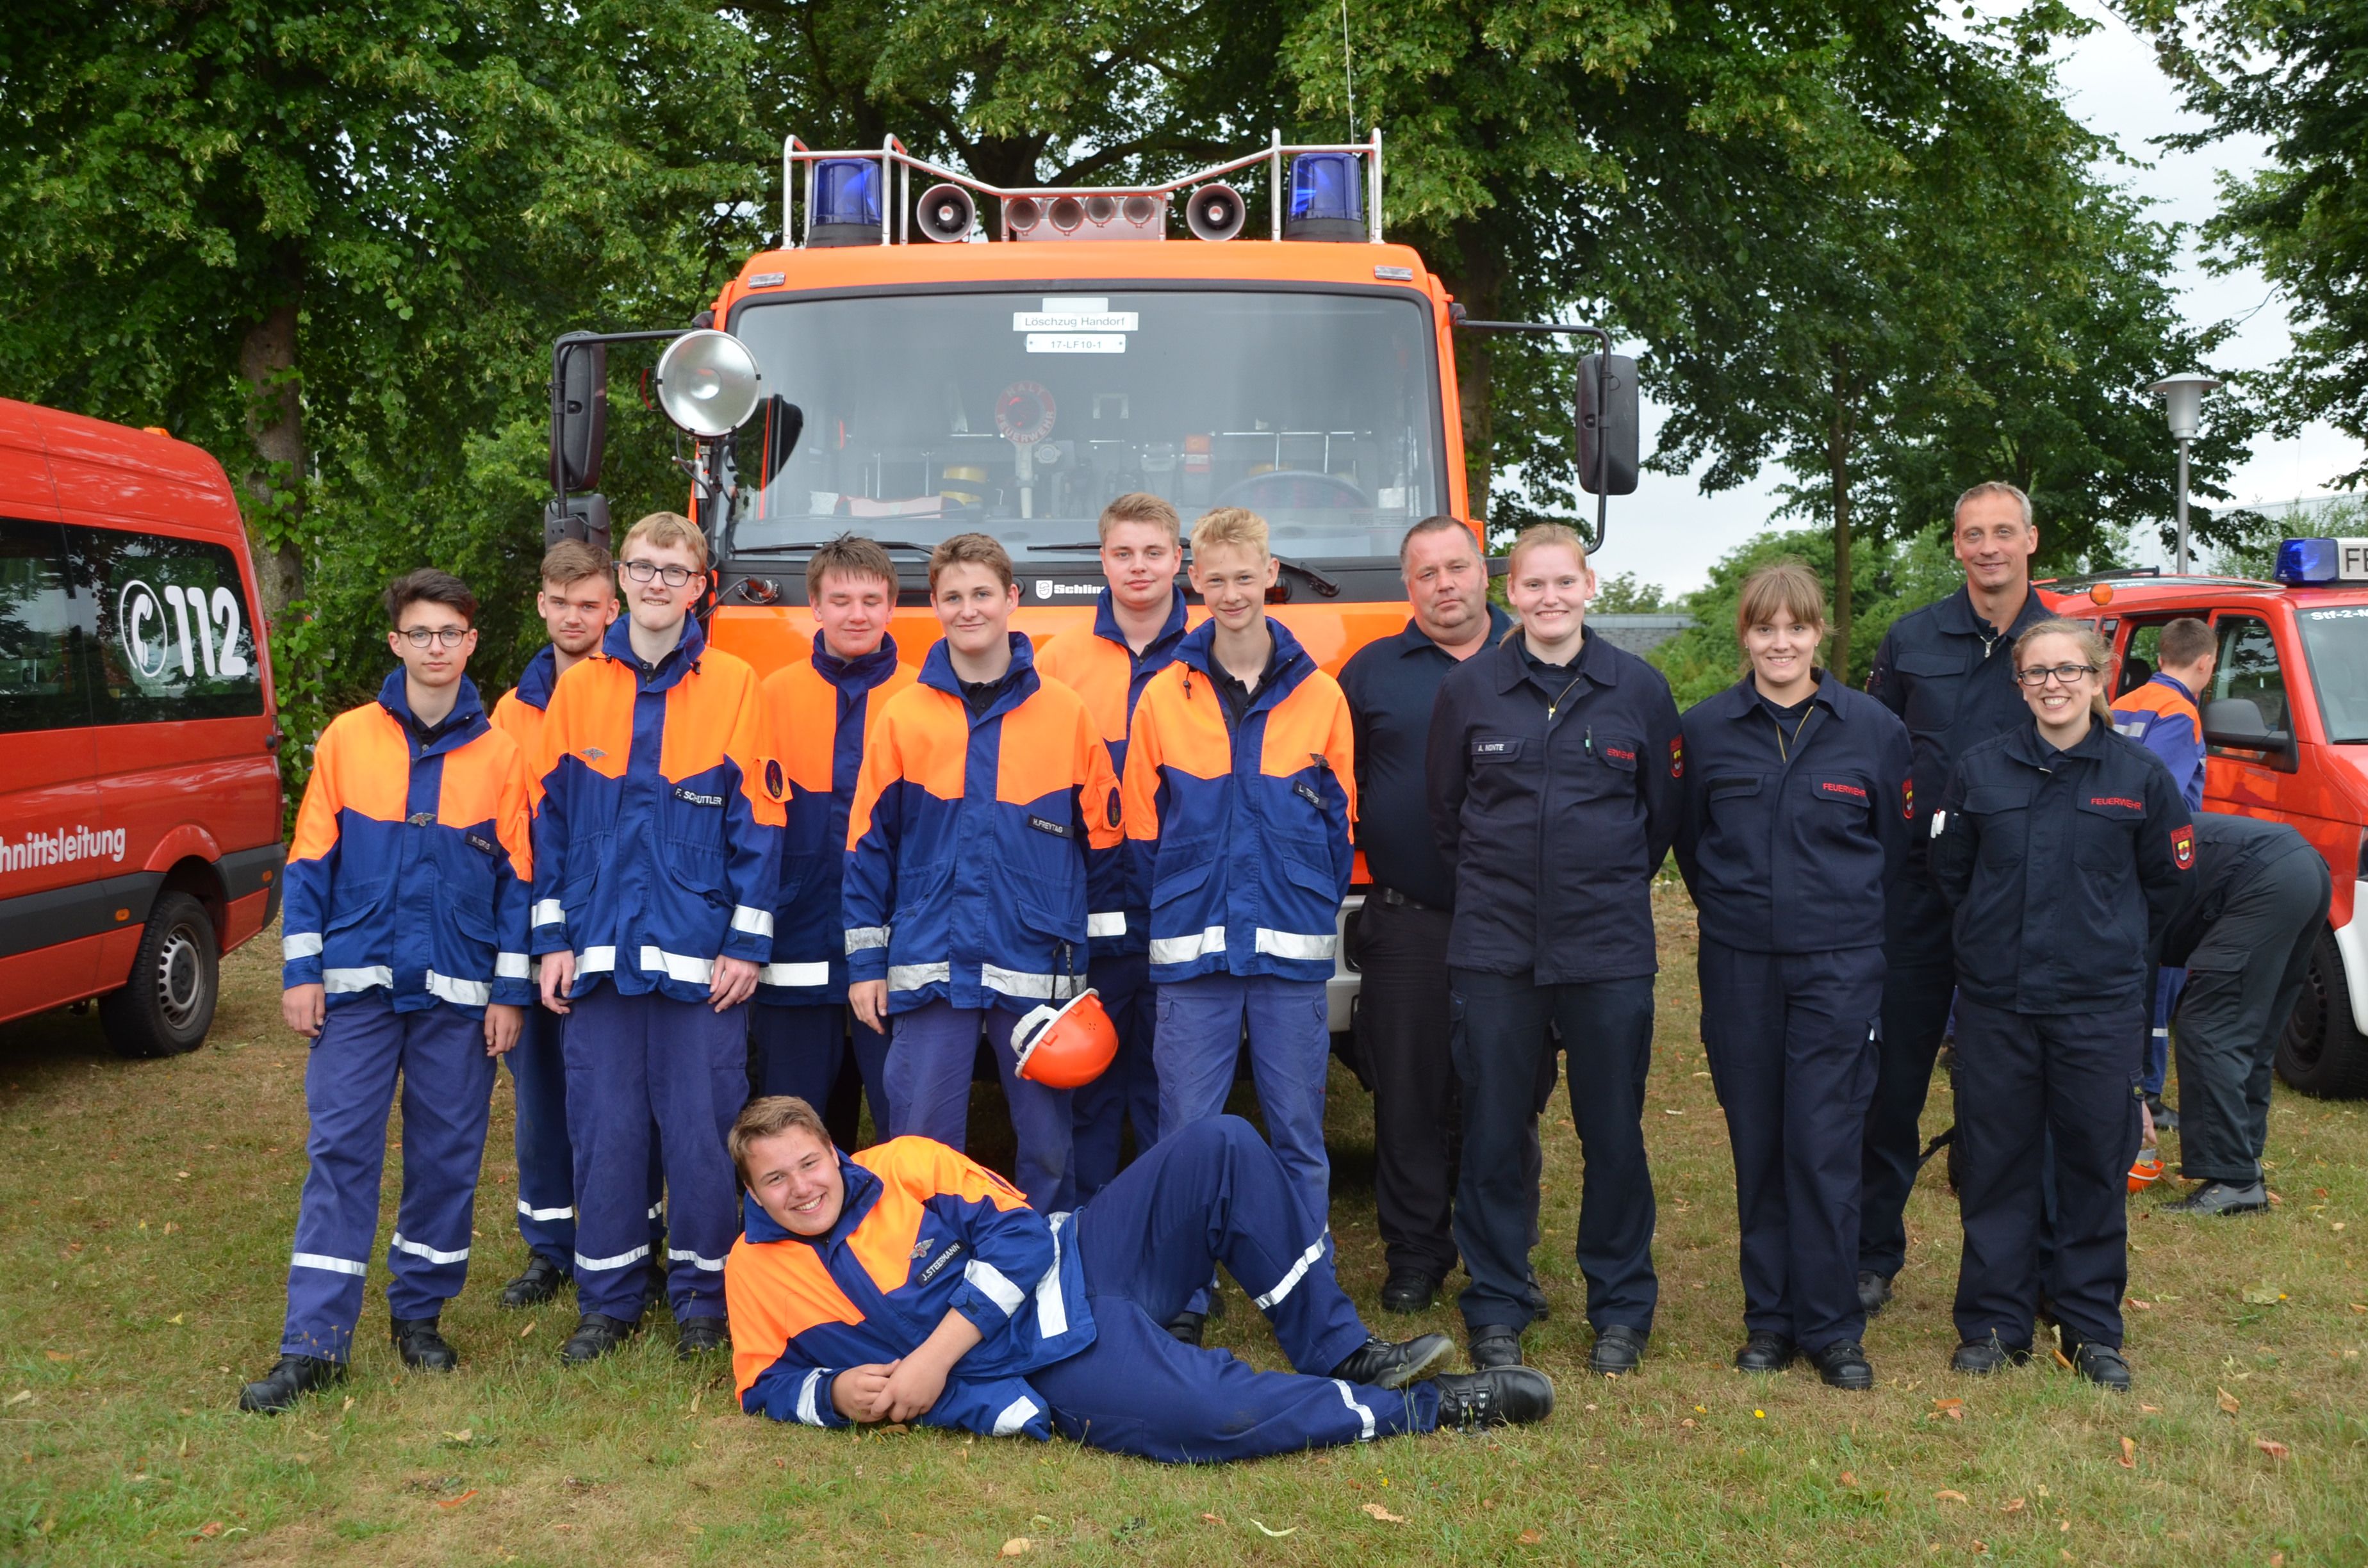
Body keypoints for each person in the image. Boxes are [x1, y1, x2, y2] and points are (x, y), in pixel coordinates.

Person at [724, 1097, 1554, 1459]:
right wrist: (833, 1396)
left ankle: (1341, 1348)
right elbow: (764, 1384)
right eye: (777, 1180)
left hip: (1084, 1256)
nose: (804, 1189)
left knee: (1221, 1143)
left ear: (834, 1150)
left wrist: (932, 1358)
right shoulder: (752, 1272)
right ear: (753, 1195)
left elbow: (1022, 1240)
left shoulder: (904, 1163)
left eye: (811, 1163)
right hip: (1047, 1362)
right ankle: (1434, 1408)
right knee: (1215, 1416)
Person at [240, 569, 532, 1412]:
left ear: (471, 643)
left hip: (459, 1000)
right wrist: (301, 974)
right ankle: (313, 1344)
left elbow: (519, 884)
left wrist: (509, 994)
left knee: (446, 1160)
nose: (436, 647)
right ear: (397, 642)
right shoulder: (347, 740)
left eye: (452, 633)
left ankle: (419, 1317)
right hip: (356, 996)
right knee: (340, 1156)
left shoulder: (502, 754)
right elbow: (309, 865)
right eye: (421, 633)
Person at [1426, 522, 1682, 1376]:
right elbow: (1446, 814)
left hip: (1607, 948)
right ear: (1512, 592)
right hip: (1496, 948)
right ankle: (1499, 1302)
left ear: (1589, 587)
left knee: (1614, 1135)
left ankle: (1621, 1307)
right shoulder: (1469, 690)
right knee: (1494, 1132)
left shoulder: (1639, 689)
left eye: (1563, 582)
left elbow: (1659, 817)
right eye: (1532, 585)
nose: (1549, 598)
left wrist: (1595, 885)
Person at [530, 512, 786, 1364]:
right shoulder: (578, 690)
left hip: (700, 959)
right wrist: (552, 938)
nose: (655, 584)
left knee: (703, 1136)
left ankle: (706, 1301)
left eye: (674, 572)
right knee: (605, 1133)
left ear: (699, 587)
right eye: (642, 567)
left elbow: (762, 823)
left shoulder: (736, 685)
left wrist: (747, 944)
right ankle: (608, 1301)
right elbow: (546, 823)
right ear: (622, 579)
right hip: (598, 955)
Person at [1930, 619, 2193, 1391]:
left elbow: (2167, 887)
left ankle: (2089, 1329)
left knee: (2092, 1167)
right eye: (2037, 673)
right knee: (1996, 1164)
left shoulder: (2140, 776)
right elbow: (1952, 875)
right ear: (2019, 685)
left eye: (2068, 671)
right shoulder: (1980, 771)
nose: (2053, 685)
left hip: (2095, 1008)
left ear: (2098, 677)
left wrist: (2106, 941)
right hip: (1999, 1006)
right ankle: (1993, 1324)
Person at [1673, 562, 1912, 1391]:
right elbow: (1691, 844)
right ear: (1745, 635)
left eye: (1797, 628)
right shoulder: (1705, 730)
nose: (1781, 643)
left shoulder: (1874, 729)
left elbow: (1894, 850)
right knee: (1760, 1142)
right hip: (1739, 965)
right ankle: (1770, 1322)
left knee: (1825, 1144)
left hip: (1839, 966)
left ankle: (1833, 1327)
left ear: (1820, 634)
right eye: (1765, 628)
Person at [1121, 506, 1356, 1342]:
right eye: (1214, 579)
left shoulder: (1321, 695)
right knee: (1186, 1136)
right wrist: (1182, 909)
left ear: (1271, 575)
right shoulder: (1164, 695)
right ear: (1196, 582)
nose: (1230, 593)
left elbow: (1339, 830)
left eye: (1244, 576)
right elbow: (1141, 833)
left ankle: (1308, 1294)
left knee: (1297, 1134)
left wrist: (1299, 906)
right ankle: (1183, 1293)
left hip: (1289, 959)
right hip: (1194, 962)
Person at [843, 532, 1120, 1212]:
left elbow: (1106, 846)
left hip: (1038, 966)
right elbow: (867, 849)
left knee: (1048, 1147)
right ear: (935, 605)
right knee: (920, 1143)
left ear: (1012, 599)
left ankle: (1049, 1262)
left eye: (983, 594)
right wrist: (865, 966)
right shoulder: (904, 714)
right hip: (931, 961)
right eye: (953, 597)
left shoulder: (1065, 711)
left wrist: (1093, 959)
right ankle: (925, 1261)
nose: (969, 610)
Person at [1858, 480, 2057, 1319]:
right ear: (1956, 546)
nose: (1989, 548)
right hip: (1913, 895)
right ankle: (1870, 1254)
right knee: (1890, 1084)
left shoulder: (2061, 646)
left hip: (2019, 898)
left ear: (2031, 541)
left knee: (2013, 1092)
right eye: (1974, 534)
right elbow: (1870, 755)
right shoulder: (1912, 640)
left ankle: (2023, 1269)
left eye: (2003, 532)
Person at [1337, 514, 1515, 1315]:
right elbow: (1342, 784)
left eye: (1457, 567)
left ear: (1484, 572)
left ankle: (1500, 1255)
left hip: (1511, 924)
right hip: (1407, 919)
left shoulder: (1534, 657)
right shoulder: (1371, 672)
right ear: (1408, 587)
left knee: (1504, 1094)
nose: (1445, 585)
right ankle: (1414, 1255)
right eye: (1426, 573)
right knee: (1406, 1096)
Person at [486, 540, 663, 1311]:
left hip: (611, 926)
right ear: (540, 605)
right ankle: (550, 1246)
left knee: (626, 1097)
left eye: (588, 605)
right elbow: (507, 827)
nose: (573, 618)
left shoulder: (634, 692)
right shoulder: (511, 711)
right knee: (541, 1096)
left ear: (612, 608)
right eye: (560, 603)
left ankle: (637, 1233)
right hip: (533, 924)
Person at [1037, 494, 1191, 1196]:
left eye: (1153, 552)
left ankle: (1170, 1230)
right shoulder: (1059, 661)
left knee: (1172, 1087)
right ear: (1102, 561)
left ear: (1177, 559)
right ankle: (1090, 1236)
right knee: (1088, 1086)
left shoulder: (1207, 654)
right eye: (1123, 553)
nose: (1139, 567)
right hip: (1090, 911)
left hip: (1180, 908)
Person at [750, 534, 916, 1145]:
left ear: (892, 606)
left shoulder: (924, 699)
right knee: (790, 1126)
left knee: (907, 1121)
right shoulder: (769, 697)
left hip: (898, 944)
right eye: (841, 600)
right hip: (796, 941)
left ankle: (903, 1212)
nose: (857, 615)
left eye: (871, 601)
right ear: (815, 607)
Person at [2154, 813, 2329, 1215]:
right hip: (2303, 867)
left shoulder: (2100, 878)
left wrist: (2134, 1091)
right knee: (2253, 1029)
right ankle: (2243, 1162)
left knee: (2211, 1025)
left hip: (2266, 877)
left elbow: (2132, 985)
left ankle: (2234, 1182)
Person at [2110, 616, 2216, 1154]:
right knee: (2161, 980)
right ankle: (2148, 1091)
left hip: (2116, 852)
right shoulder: (2180, 712)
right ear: (2207, 663)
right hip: (2157, 860)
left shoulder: (2125, 702)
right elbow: (2164, 792)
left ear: (2161, 654)